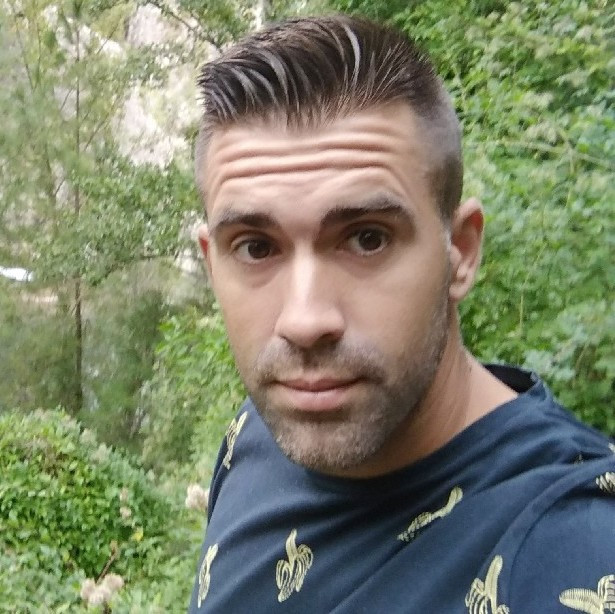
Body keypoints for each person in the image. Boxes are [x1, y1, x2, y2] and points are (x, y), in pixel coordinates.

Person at [188, 14, 614, 613]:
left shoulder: (576, 545)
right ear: (212, 265)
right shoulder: (256, 435)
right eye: (256, 248)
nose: (305, 321)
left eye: (367, 238)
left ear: (460, 251)